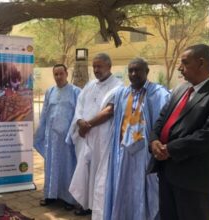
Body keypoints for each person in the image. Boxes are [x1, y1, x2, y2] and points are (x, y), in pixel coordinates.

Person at [149, 44, 209, 220]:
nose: (179, 68)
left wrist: (169, 149)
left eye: (184, 63)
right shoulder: (180, 89)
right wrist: (154, 141)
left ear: (201, 63)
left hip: (195, 179)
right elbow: (161, 120)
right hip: (168, 172)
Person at [104, 58, 170, 220]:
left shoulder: (159, 93)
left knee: (145, 190)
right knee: (123, 188)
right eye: (131, 71)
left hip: (145, 155)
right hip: (123, 152)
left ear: (146, 72)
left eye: (138, 70)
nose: (133, 74)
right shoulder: (121, 93)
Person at [68, 53, 123, 217]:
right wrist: (79, 122)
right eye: (94, 67)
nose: (96, 70)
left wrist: (88, 124)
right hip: (85, 136)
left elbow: (110, 110)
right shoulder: (90, 85)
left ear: (109, 66)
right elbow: (79, 105)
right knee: (85, 169)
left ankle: (99, 207)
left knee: (100, 173)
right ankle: (85, 204)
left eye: (99, 66)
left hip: (103, 137)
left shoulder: (118, 86)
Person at [34, 64, 81, 210]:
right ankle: (50, 195)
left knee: (68, 167)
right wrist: (40, 132)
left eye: (61, 74)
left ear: (67, 73)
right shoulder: (50, 91)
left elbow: (79, 115)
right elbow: (45, 114)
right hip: (51, 137)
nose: (58, 77)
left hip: (67, 138)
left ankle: (68, 199)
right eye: (56, 74)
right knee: (51, 165)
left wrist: (73, 134)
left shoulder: (76, 92)